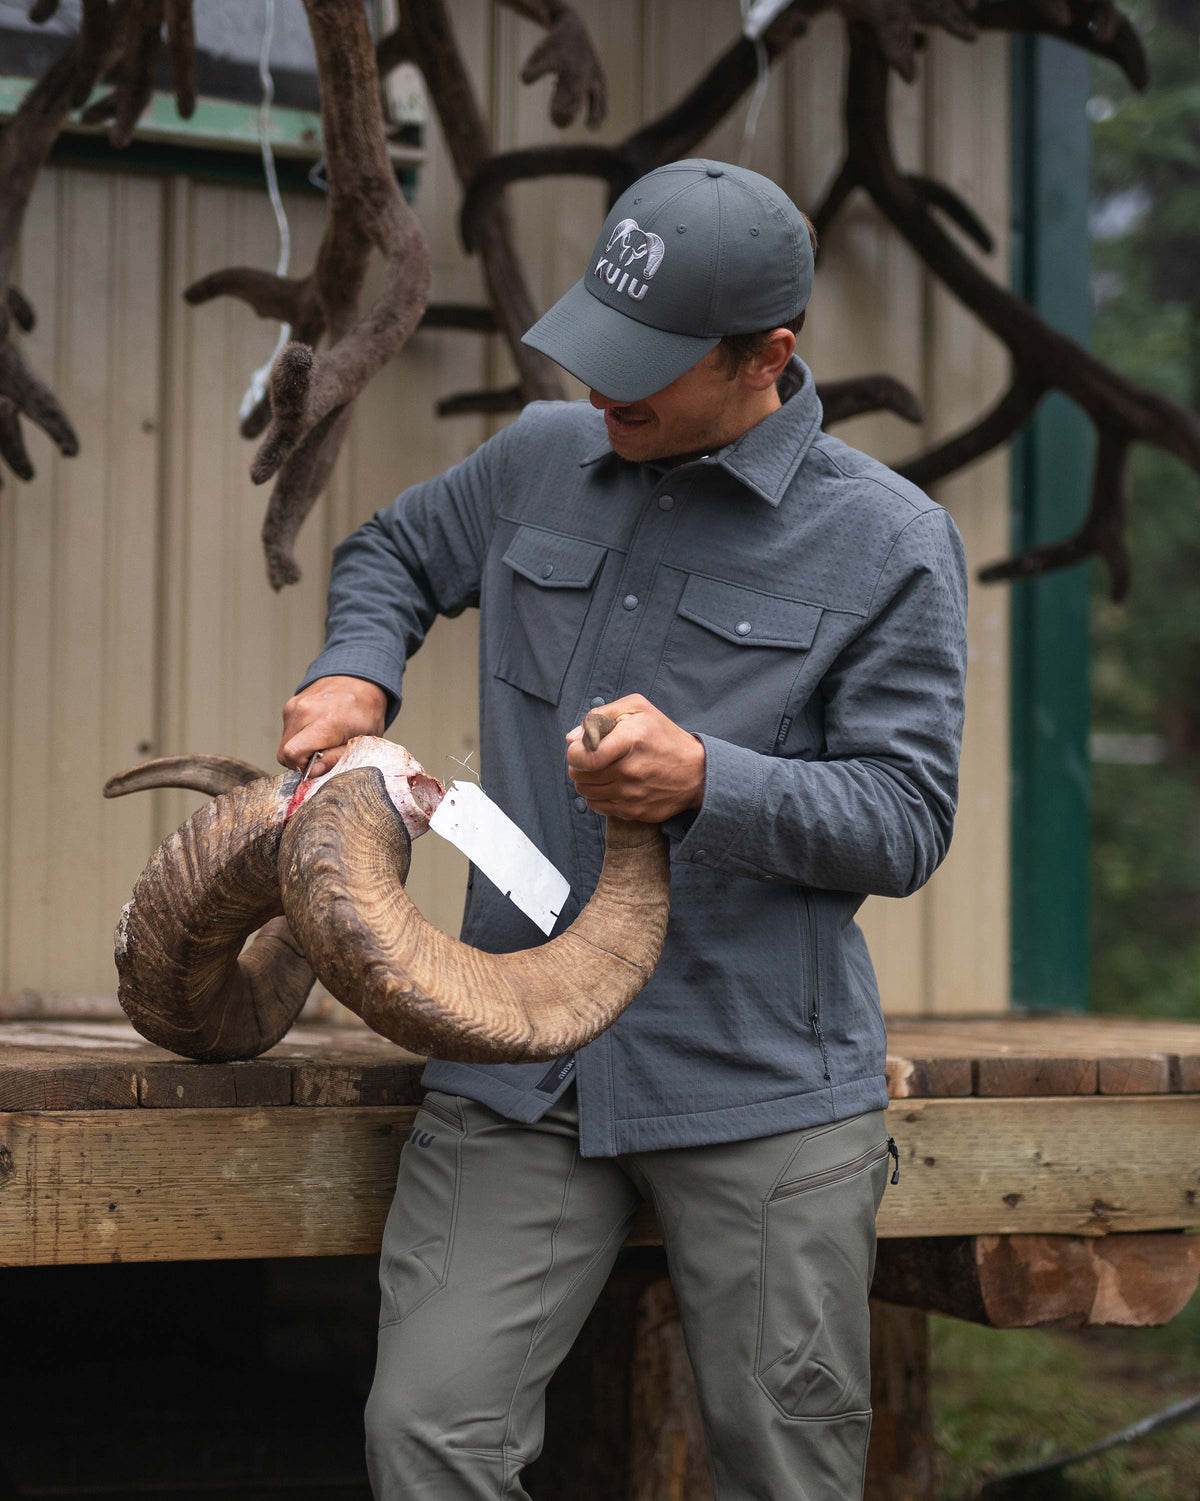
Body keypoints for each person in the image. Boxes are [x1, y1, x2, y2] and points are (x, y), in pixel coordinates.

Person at [277, 158, 967, 1500]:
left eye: (646, 365)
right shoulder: (541, 456)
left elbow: (904, 820)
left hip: (756, 1074)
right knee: (427, 1434)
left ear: (767, 357)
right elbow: (391, 555)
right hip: (515, 1061)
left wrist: (711, 780)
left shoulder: (888, 541)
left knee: (785, 1470)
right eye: (599, 343)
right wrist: (357, 667)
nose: (603, 387)